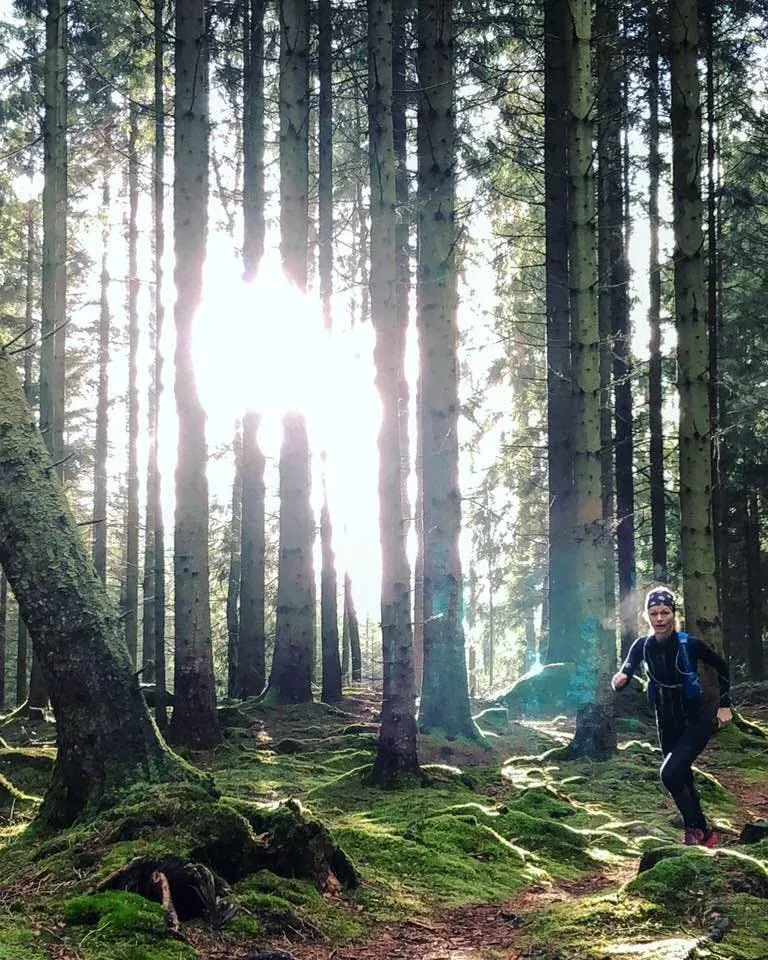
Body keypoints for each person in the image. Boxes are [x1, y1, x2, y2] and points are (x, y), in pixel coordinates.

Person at [611, 586, 733, 847]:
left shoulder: (690, 644)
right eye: (653, 613)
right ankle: (704, 832)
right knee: (682, 774)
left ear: (673, 614)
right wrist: (619, 680)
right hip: (665, 719)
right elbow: (625, 672)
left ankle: (693, 829)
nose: (659, 619)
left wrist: (725, 705)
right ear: (647, 616)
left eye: (665, 612)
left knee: (669, 773)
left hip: (696, 718)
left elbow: (722, 667)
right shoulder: (642, 646)